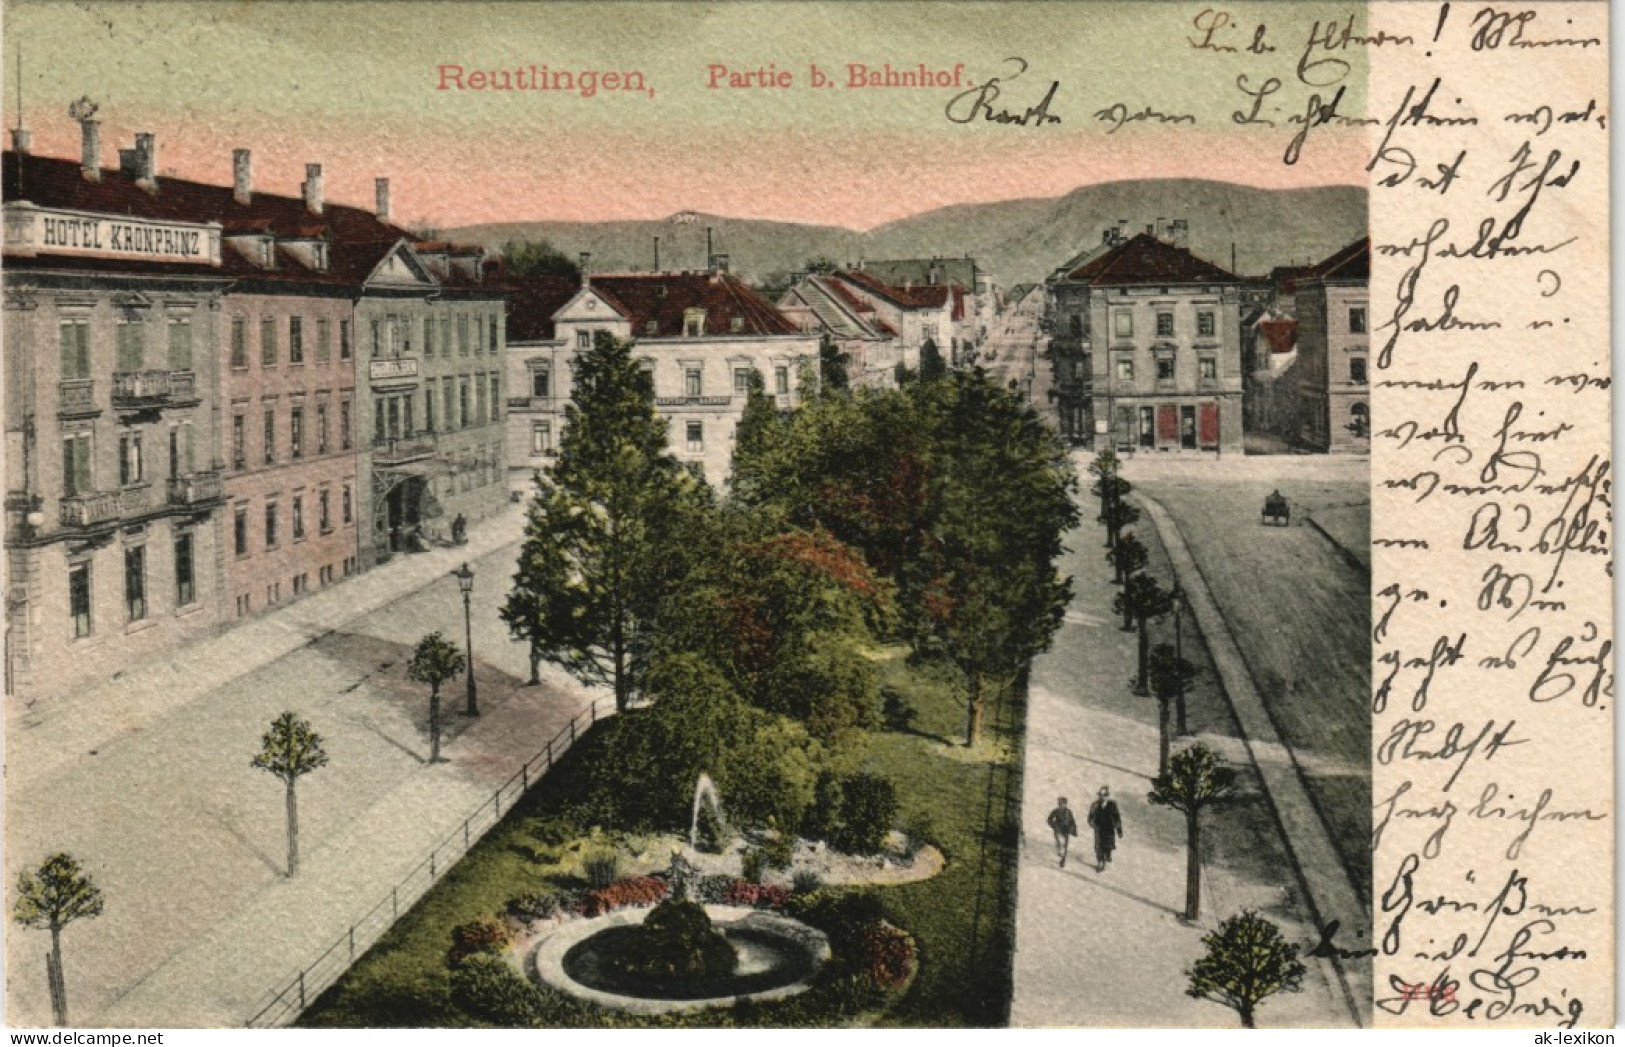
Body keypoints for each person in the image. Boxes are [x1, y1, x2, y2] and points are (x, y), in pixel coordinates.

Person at [1087, 786, 1123, 872]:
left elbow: (1117, 817)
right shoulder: (1095, 805)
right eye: (1100, 795)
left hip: (1109, 829)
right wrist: (1091, 823)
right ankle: (1100, 863)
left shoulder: (1112, 805)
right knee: (1098, 846)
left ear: (1107, 796)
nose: (1101, 797)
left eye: (1104, 795)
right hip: (1099, 828)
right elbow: (1090, 816)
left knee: (1108, 845)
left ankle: (1107, 855)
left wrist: (1119, 830)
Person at [1045, 797, 1078, 868]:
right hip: (1058, 830)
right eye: (1059, 804)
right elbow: (1049, 819)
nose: (1061, 805)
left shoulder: (1069, 812)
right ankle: (1060, 853)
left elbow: (1072, 821)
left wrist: (1073, 830)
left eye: (1062, 804)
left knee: (1065, 846)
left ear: (1065, 804)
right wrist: (1054, 825)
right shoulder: (1055, 811)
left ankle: (1063, 860)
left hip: (1066, 830)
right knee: (1060, 843)